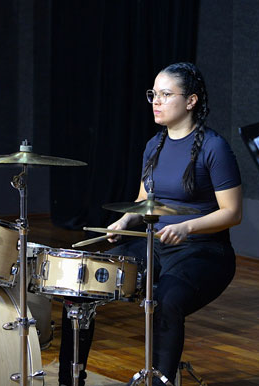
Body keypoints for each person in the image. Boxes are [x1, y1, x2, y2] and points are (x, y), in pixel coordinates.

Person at [58, 62, 242, 386]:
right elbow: (144, 203)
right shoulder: (153, 146)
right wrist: (124, 220)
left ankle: (161, 381)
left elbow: (232, 212)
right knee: (83, 284)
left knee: (166, 300)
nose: (156, 101)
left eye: (166, 94)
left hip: (205, 252)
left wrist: (187, 227)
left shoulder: (215, 147)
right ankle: (69, 380)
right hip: (155, 244)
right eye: (153, 94)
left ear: (191, 101)